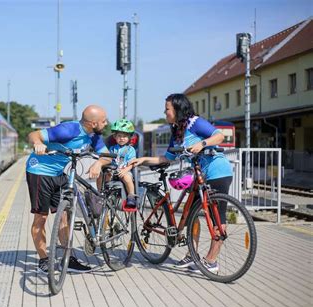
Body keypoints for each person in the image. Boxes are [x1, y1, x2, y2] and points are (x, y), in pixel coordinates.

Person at [130, 93, 233, 273]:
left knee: (217, 218)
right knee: (191, 216)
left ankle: (211, 261)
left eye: (167, 109)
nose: (165, 112)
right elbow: (167, 158)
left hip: (217, 172)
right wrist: (143, 159)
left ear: (177, 109)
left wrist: (202, 144)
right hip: (199, 176)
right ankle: (191, 254)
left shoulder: (196, 122)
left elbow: (219, 137)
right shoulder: (177, 130)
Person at [26, 104, 111, 274]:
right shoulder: (68, 130)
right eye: (103, 121)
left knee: (64, 216)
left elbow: (106, 155)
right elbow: (33, 134)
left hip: (61, 173)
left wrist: (99, 163)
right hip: (39, 172)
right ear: (93, 123)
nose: (106, 123)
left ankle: (68, 258)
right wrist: (37, 143)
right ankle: (43, 260)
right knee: (41, 218)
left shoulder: (93, 136)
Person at [100, 118, 137, 209]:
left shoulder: (130, 150)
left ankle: (131, 196)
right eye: (119, 136)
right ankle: (102, 193)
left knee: (127, 177)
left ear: (129, 138)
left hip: (125, 170)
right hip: (113, 171)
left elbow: (132, 163)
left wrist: (126, 170)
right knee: (104, 175)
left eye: (125, 136)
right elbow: (108, 159)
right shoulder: (112, 148)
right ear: (115, 137)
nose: (122, 138)